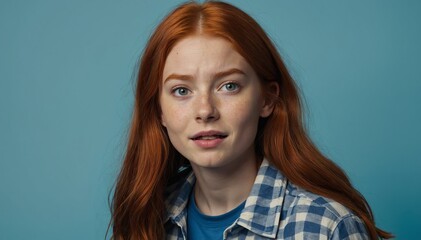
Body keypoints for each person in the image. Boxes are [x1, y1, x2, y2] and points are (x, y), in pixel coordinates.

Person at [110, 1, 393, 239]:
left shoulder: (326, 226)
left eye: (229, 86)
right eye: (181, 90)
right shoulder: (146, 216)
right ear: (159, 110)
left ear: (267, 100)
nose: (205, 110)